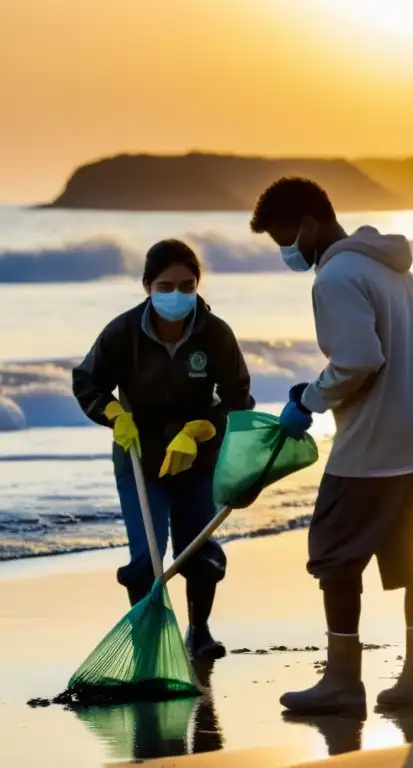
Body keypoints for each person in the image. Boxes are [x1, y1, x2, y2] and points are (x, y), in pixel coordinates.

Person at [249, 178, 413, 716]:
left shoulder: (338, 277)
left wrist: (311, 398)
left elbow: (361, 360)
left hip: (377, 443)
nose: (286, 250)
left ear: (309, 223)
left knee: (333, 553)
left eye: (284, 236)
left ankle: (344, 683)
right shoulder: (397, 270)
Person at [72, 239, 254, 659]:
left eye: (187, 286)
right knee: (147, 555)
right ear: (147, 286)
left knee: (198, 548)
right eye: (167, 285)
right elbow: (87, 381)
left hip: (199, 456)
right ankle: (149, 642)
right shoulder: (122, 332)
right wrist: (114, 414)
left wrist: (205, 428)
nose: (178, 295)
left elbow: (238, 396)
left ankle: (200, 632)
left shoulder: (215, 333)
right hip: (139, 454)